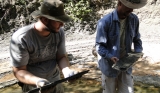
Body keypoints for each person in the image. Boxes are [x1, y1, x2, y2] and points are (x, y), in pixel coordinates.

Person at [9, 0, 77, 92]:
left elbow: (61, 57)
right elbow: (19, 71)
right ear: (45, 19)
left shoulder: (59, 32)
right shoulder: (22, 38)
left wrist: (67, 71)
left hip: (55, 81)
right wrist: (38, 81)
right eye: (58, 21)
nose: (62, 24)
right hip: (33, 85)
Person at [95, 0, 147, 93]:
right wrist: (110, 56)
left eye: (132, 8)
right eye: (128, 7)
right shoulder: (104, 22)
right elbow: (99, 46)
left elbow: (137, 40)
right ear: (119, 4)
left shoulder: (134, 19)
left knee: (128, 91)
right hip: (109, 66)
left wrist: (138, 52)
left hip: (125, 65)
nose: (131, 10)